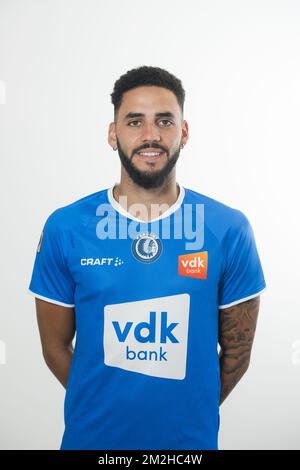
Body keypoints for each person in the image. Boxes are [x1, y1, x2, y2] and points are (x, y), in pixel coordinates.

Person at [28, 65, 266, 450]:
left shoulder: (227, 229)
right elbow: (54, 347)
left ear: (184, 133)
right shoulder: (66, 227)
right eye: (135, 121)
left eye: (165, 121)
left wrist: (184, 409)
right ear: (112, 133)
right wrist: (105, 405)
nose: (150, 135)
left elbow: (237, 352)